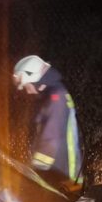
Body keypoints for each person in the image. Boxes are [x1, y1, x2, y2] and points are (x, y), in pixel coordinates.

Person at [12, 55, 83, 194]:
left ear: (33, 77)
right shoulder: (53, 93)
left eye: (26, 86)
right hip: (59, 173)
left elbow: (51, 139)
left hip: (63, 177)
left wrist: (32, 173)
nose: (27, 91)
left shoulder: (55, 97)